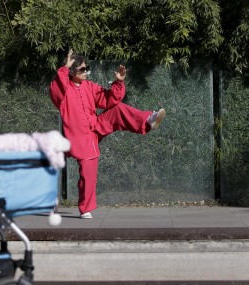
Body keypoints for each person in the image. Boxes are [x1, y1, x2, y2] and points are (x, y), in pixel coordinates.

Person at [49, 49, 166, 219]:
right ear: (72, 71)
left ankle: (148, 119)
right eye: (82, 69)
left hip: (94, 129)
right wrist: (64, 68)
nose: (86, 72)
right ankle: (85, 208)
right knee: (87, 175)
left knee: (117, 109)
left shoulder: (89, 86)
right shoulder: (63, 89)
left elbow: (108, 99)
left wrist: (118, 83)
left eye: (86, 68)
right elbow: (56, 90)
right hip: (78, 138)